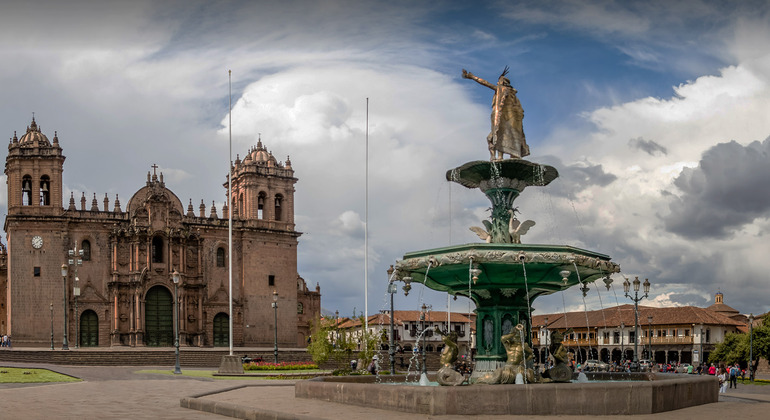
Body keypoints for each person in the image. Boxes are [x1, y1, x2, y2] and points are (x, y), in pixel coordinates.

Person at [462, 67, 530, 160]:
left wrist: (472, 76)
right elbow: (520, 112)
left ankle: (498, 157)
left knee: (498, 135)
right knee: (505, 135)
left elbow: (485, 83)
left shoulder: (501, 90)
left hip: (501, 117)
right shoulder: (514, 96)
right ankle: (513, 155)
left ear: (502, 82)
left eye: (499, 81)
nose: (498, 83)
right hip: (512, 120)